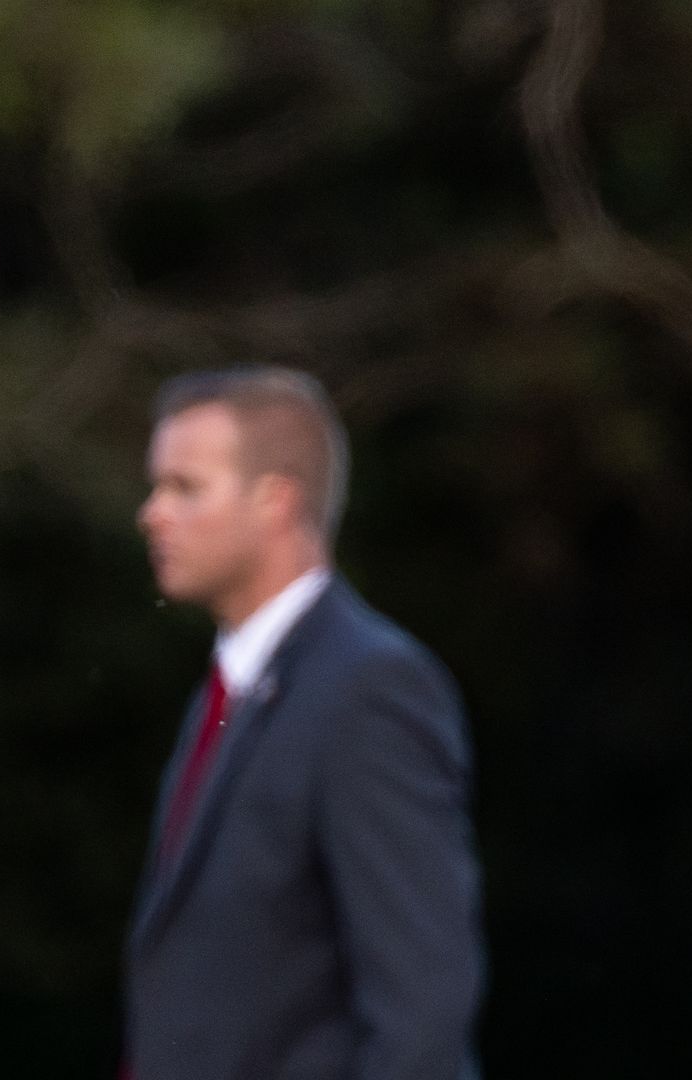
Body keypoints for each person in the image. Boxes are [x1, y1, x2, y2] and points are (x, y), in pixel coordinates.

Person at [126, 367, 484, 1080]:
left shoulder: (369, 690)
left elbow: (421, 1015)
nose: (151, 513)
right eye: (155, 485)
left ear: (276, 502)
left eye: (185, 487)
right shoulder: (226, 696)